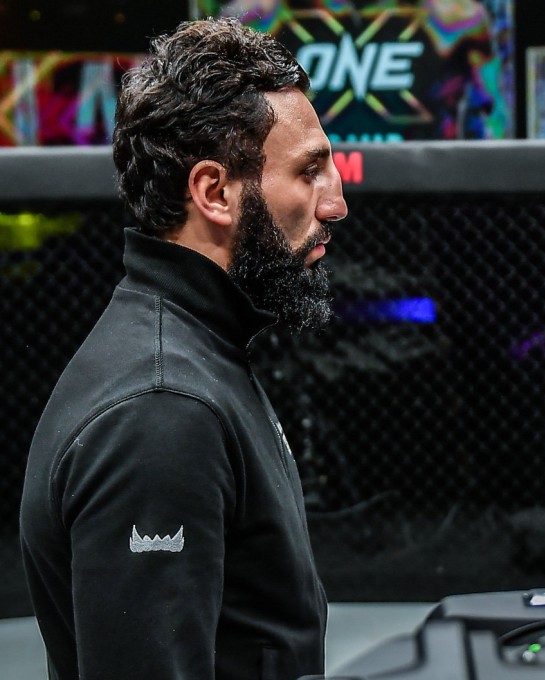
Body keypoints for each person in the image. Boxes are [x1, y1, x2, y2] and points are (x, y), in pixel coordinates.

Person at [20, 17, 347, 680]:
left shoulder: (192, 352)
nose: (335, 202)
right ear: (214, 192)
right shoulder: (163, 410)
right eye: (310, 171)